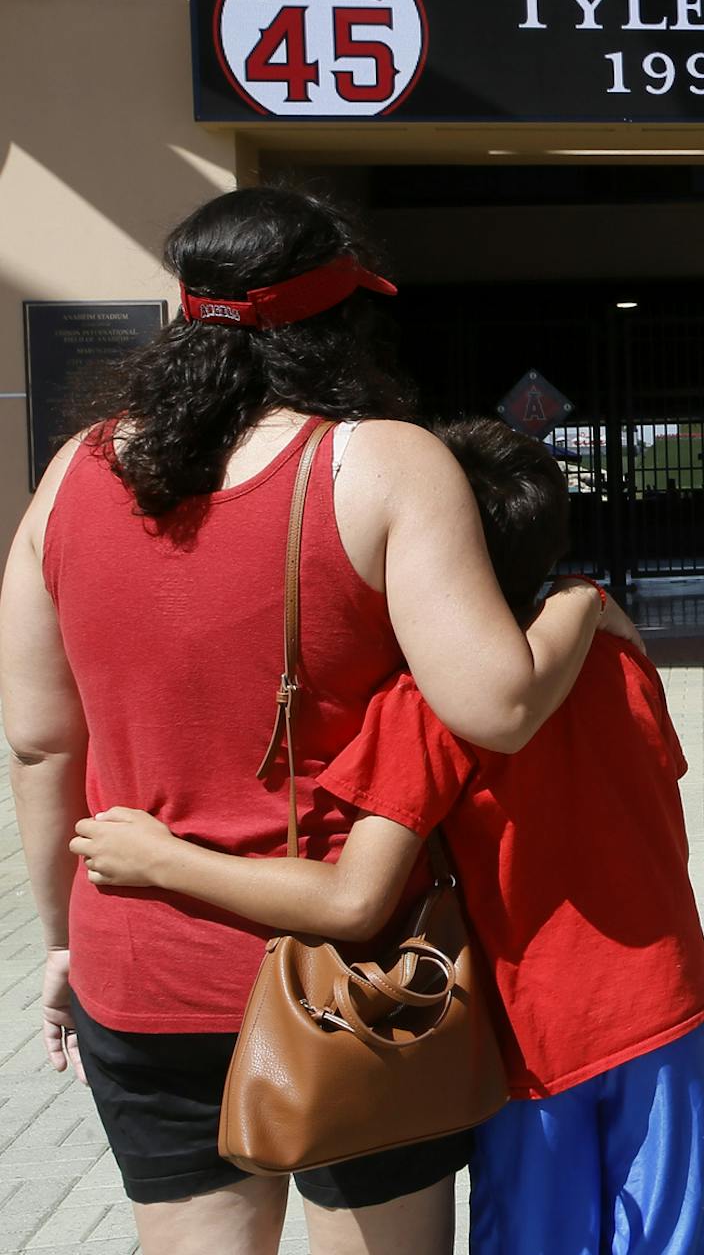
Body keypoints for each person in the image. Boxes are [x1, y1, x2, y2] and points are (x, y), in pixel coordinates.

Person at [0, 188, 625, 1255]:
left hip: (136, 963)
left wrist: (62, 937)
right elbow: (499, 703)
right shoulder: (381, 461)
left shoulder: (73, 472)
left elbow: (39, 739)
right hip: (350, 975)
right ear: (343, 322)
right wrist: (581, 604)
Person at [70, 417, 704, 1255]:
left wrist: (163, 859)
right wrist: (587, 597)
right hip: (672, 1010)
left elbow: (355, 900)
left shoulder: (420, 706)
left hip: (535, 1042)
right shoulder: (613, 656)